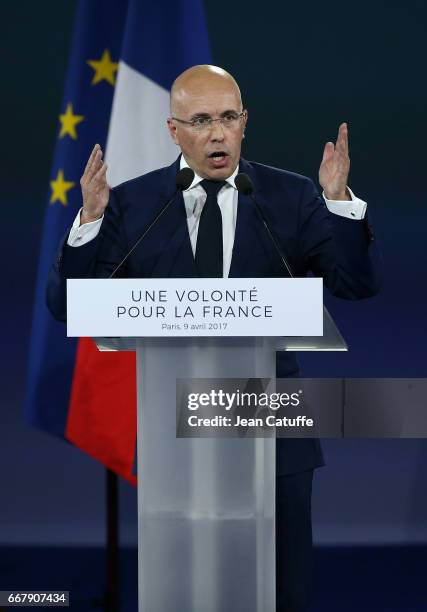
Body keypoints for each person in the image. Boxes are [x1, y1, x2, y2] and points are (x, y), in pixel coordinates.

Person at [47, 65, 381, 611]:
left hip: (275, 434)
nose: (218, 133)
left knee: (283, 592)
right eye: (201, 120)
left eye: (228, 117)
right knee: (186, 589)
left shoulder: (291, 198)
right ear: (173, 130)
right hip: (178, 440)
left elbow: (358, 285)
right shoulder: (131, 205)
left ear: (244, 122)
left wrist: (339, 202)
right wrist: (88, 220)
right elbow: (68, 307)